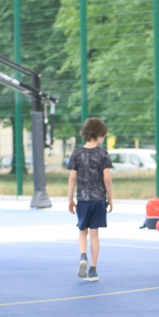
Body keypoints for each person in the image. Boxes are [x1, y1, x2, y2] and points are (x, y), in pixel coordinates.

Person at [67, 118, 113, 282]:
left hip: (84, 199)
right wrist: (110, 199)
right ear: (100, 135)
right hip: (99, 199)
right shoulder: (103, 153)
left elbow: (73, 177)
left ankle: (82, 256)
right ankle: (93, 270)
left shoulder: (77, 153)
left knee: (82, 231)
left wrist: (70, 199)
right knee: (94, 235)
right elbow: (107, 178)